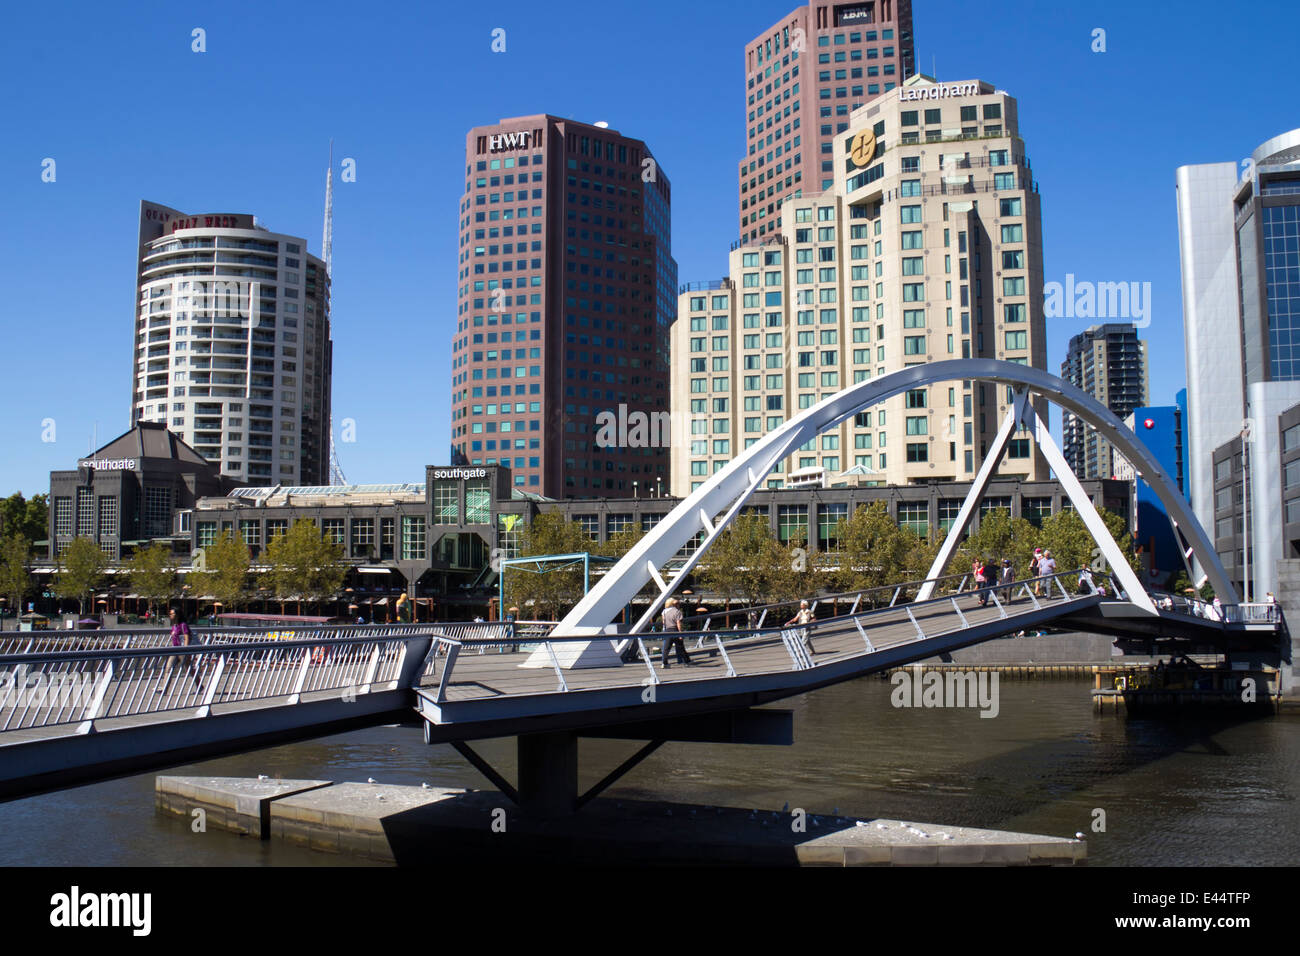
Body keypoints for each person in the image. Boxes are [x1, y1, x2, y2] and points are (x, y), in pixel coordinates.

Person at [159, 605, 203, 695]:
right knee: (168, 668)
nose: (170, 615)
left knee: (189, 669)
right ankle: (164, 689)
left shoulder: (183, 625)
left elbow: (186, 638)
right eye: (169, 614)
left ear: (177, 614)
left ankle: (199, 685)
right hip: (175, 650)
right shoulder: (174, 626)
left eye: (172, 613)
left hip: (182, 650)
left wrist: (185, 650)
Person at [660, 598, 691, 668]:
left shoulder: (665, 612)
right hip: (675, 629)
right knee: (680, 646)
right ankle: (686, 661)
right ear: (675, 604)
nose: (679, 605)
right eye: (678, 604)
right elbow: (678, 623)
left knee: (666, 648)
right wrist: (680, 633)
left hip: (667, 630)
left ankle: (664, 663)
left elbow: (663, 622)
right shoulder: (677, 612)